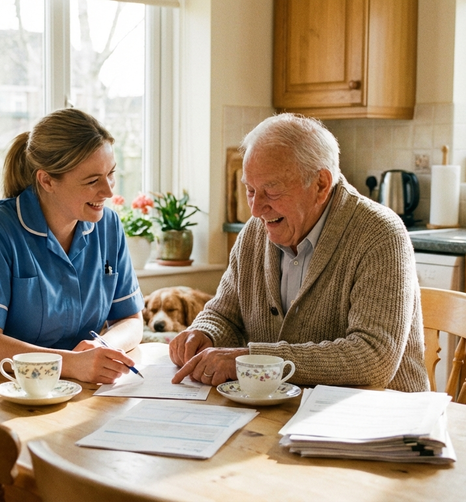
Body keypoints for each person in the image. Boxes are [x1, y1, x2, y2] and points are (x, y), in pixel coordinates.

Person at [170, 113, 429, 392]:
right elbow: (225, 315)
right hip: (284, 407)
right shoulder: (256, 231)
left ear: (320, 185)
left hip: (380, 410)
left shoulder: (379, 234)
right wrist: (204, 333)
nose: (255, 210)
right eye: (250, 190)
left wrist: (257, 361)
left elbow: (373, 358)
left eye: (271, 191)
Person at [0, 108, 144, 384]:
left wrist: (101, 346)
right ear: (47, 180)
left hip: (63, 387)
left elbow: (131, 320)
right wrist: (70, 364)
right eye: (92, 180)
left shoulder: (108, 225)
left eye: (111, 174)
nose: (109, 191)